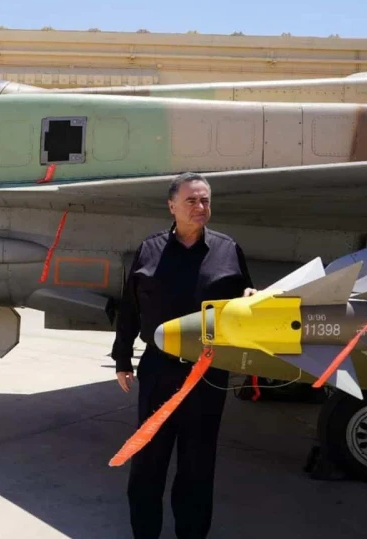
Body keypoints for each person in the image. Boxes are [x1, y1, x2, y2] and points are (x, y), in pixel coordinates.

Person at [111, 172, 255, 539]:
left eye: (205, 200)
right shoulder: (149, 250)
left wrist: (253, 298)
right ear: (171, 205)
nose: (200, 207)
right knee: (149, 461)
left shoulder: (228, 250)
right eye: (191, 200)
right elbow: (129, 309)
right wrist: (123, 359)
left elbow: (246, 303)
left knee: (197, 464)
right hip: (159, 370)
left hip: (208, 373)